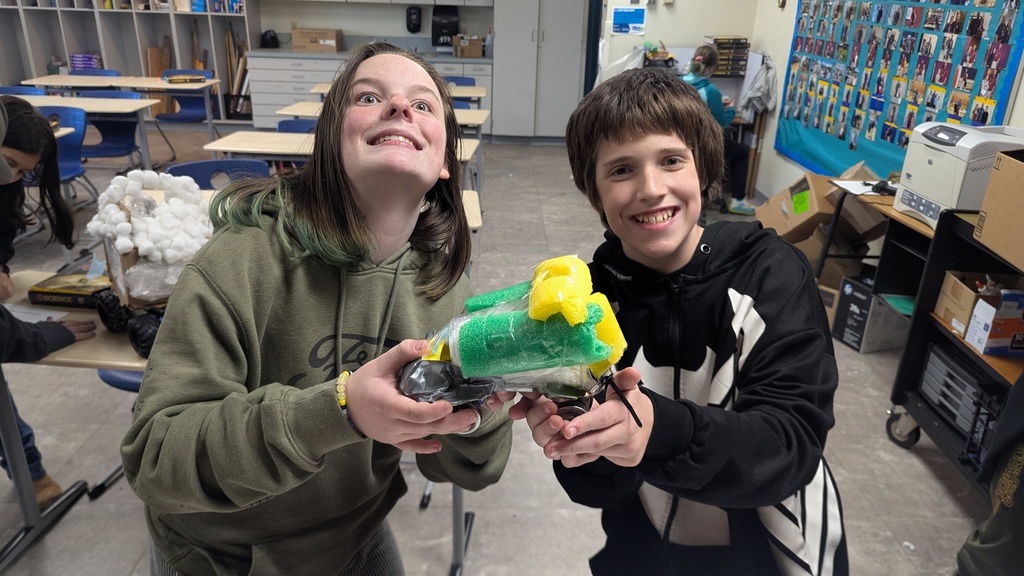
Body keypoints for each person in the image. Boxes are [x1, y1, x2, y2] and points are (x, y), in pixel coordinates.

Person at [119, 42, 513, 575]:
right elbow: (155, 460)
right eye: (369, 96)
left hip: (355, 532)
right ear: (330, 141)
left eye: (423, 105)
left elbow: (469, 470)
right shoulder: (241, 259)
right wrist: (340, 411)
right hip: (220, 552)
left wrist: (482, 411)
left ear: (445, 160)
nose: (399, 107)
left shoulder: (443, 289)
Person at [508, 68, 848, 575]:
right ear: (594, 191)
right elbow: (600, 489)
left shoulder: (772, 274)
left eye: (671, 160)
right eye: (620, 170)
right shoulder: (587, 301)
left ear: (704, 170)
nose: (650, 188)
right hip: (639, 551)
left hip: (770, 554)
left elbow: (790, 445)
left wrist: (655, 431)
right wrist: (579, 442)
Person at [0, 95, 96, 509]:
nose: (13, 177)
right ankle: (31, 473)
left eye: (23, 171)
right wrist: (48, 334)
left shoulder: (4, 185)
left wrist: (1, 267)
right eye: (9, 163)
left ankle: (31, 473)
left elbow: (1, 233)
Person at [679, 44, 754, 217]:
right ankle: (738, 200)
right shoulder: (710, 91)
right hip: (705, 144)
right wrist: (730, 109)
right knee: (742, 153)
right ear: (712, 68)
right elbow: (721, 123)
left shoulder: (679, 83)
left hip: (682, 141)